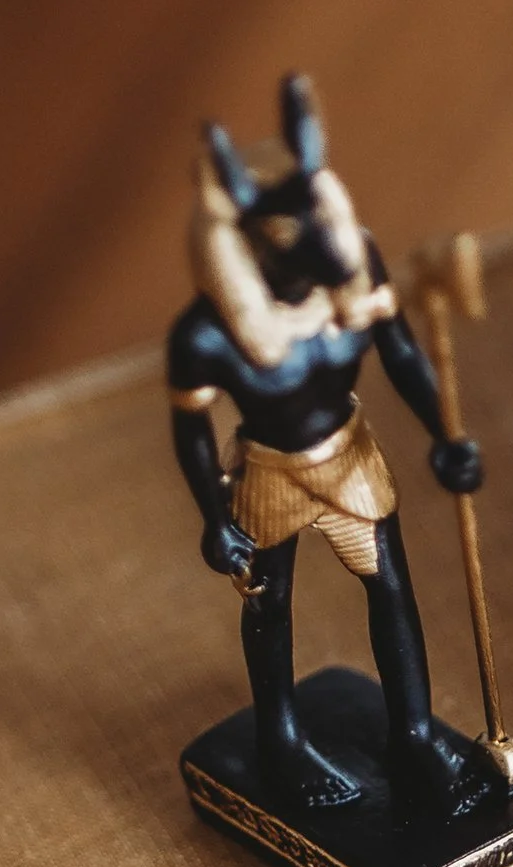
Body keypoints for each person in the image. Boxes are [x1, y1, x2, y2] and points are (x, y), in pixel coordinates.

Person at [165, 73, 485, 820]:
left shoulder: (356, 271)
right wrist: (214, 515)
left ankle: (412, 731)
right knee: (269, 605)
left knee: (392, 590)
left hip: (347, 453)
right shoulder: (207, 333)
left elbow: (400, 351)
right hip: (269, 470)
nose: (315, 248)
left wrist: (446, 431)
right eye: (287, 237)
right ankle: (280, 737)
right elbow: (189, 428)